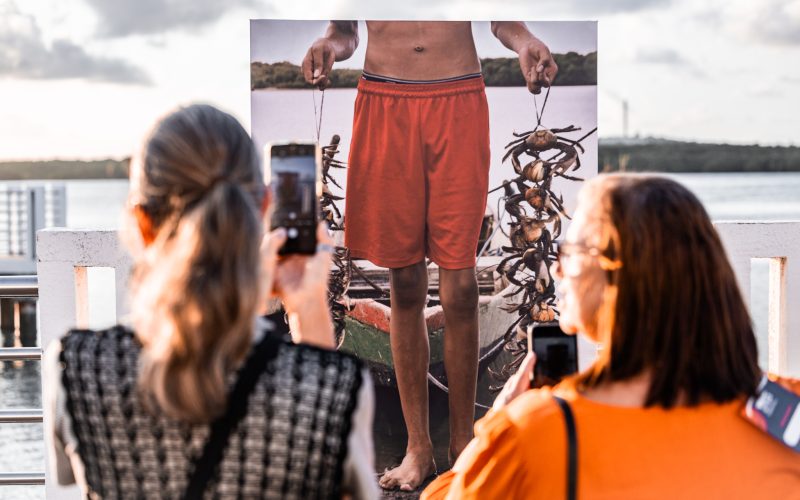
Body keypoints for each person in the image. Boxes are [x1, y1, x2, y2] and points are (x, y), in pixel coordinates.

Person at [43, 104, 379, 499]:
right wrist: (306, 308)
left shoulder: (75, 367)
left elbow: (70, 477)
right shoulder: (336, 386)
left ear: (140, 224)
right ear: (264, 208)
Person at [421, 174, 800, 499]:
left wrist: (492, 431)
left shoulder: (534, 434)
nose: (556, 268)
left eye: (570, 251)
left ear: (616, 274)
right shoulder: (789, 416)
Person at [302, 21, 558, 491]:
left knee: (460, 283)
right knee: (405, 282)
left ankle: (463, 446)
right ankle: (418, 447)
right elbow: (346, 31)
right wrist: (328, 47)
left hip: (459, 97)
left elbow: (500, 17)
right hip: (382, 99)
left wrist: (525, 43)